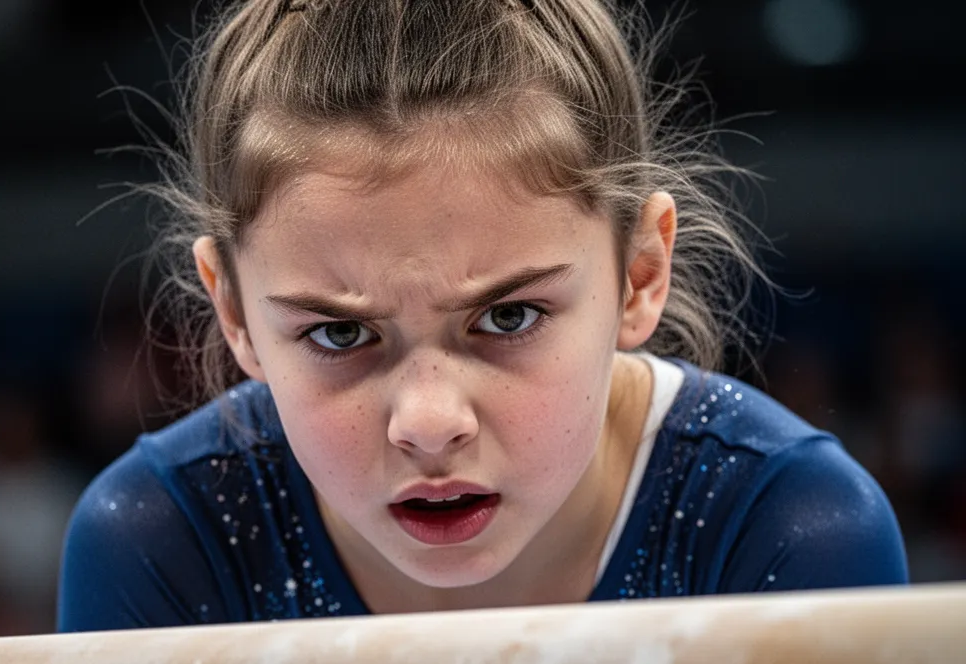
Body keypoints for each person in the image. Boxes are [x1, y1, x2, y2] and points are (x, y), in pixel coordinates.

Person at [57, 0, 908, 632]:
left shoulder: (792, 535)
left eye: (507, 317)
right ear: (235, 312)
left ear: (640, 273)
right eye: (340, 333)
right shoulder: (163, 543)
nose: (429, 424)